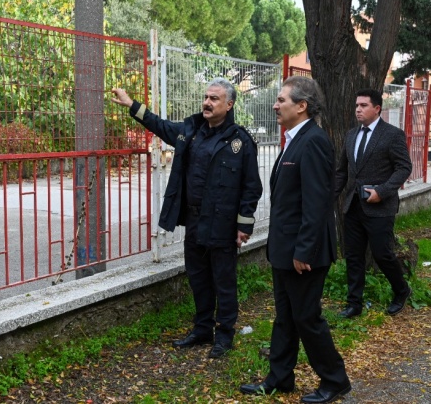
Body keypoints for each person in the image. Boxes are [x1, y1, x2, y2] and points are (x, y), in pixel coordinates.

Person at [109, 78, 262, 359]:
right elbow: (160, 125)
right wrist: (132, 104)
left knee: (223, 281)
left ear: (229, 104)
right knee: (198, 278)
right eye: (206, 97)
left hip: (223, 225)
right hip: (194, 222)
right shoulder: (190, 131)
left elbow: (252, 187)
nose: (207, 102)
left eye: (214, 99)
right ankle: (202, 329)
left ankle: (224, 335)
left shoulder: (240, 141)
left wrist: (244, 225)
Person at [240, 76, 351, 403]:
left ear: (302, 106)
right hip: (285, 249)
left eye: (281, 100)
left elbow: (317, 203)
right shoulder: (295, 139)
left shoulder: (313, 141)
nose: (275, 105)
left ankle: (335, 380)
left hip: (304, 253)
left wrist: (304, 250)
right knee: (286, 317)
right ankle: (280, 378)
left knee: (306, 318)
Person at [334, 89, 413, 317]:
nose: (358, 109)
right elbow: (342, 172)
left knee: (382, 254)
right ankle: (354, 304)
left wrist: (382, 191)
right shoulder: (351, 135)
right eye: (356, 105)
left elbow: (404, 168)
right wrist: (327, 198)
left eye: (363, 105)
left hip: (380, 207)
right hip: (353, 206)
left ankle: (401, 290)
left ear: (377, 109)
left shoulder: (392, 135)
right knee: (353, 256)